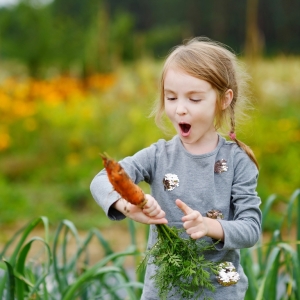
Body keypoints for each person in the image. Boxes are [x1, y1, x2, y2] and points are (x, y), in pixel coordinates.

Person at [90, 37, 262, 299]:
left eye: (194, 99)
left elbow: (251, 228)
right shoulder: (158, 155)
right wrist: (128, 206)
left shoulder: (238, 161)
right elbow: (101, 180)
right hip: (164, 291)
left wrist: (208, 226)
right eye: (171, 97)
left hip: (221, 292)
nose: (180, 109)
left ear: (224, 99)